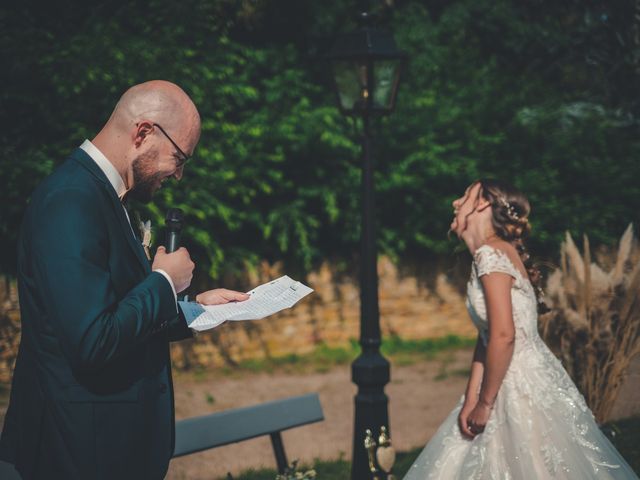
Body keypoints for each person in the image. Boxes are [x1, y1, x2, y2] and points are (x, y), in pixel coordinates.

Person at [0, 80, 249, 479]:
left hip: (108, 450)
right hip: (80, 453)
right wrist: (163, 282)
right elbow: (92, 340)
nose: (180, 174)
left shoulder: (105, 196)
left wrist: (195, 307)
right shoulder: (70, 199)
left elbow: (117, 310)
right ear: (143, 133)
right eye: (179, 157)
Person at [403, 179, 638, 479]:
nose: (455, 203)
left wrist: (485, 404)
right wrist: (471, 398)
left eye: (465, 196)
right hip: (505, 374)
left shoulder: (491, 255)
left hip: (515, 383)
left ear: (483, 204)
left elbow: (505, 335)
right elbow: (488, 336)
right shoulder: (492, 254)